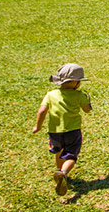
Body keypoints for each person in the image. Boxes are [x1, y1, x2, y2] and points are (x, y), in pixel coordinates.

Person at [31, 63, 92, 196]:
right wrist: (87, 102)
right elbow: (87, 110)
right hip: (73, 131)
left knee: (58, 151)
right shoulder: (78, 95)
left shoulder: (51, 94)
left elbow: (42, 111)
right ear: (75, 82)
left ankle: (59, 169)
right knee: (71, 155)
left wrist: (38, 126)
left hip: (55, 132)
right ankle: (63, 173)